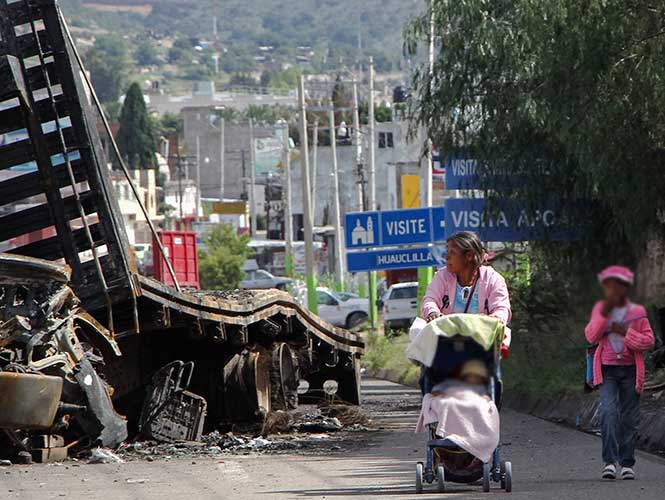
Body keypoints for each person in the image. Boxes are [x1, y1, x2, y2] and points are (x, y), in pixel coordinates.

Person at [584, 265, 654, 481]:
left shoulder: (638, 313)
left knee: (629, 417)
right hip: (607, 371)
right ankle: (609, 462)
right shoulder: (600, 309)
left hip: (631, 370)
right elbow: (591, 336)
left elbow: (648, 341)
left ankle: (626, 463)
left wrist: (626, 333)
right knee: (609, 413)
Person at [421, 231, 511, 326]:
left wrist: (490, 320)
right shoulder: (442, 276)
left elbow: (502, 309)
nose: (447, 257)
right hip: (447, 337)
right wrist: (432, 313)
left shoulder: (493, 279)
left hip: (482, 337)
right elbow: (430, 299)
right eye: (448, 252)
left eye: (453, 252)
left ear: (469, 256)